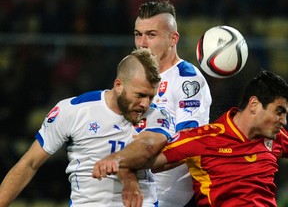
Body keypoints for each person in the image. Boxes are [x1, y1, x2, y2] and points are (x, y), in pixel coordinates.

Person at [0, 48, 172, 207]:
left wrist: (120, 165)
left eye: (151, 97)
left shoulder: (157, 116)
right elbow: (30, 163)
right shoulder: (74, 111)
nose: (145, 104)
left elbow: (148, 146)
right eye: (140, 95)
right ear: (118, 85)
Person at [93, 70, 288, 206]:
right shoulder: (204, 139)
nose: (284, 120)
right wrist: (116, 160)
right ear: (254, 104)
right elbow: (148, 159)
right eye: (279, 111)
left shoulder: (277, 137)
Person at [132, 0, 212, 207]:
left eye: (151, 35)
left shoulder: (187, 80)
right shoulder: (133, 76)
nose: (142, 43)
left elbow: (190, 144)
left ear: (173, 38)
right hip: (131, 190)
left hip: (166, 197)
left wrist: (140, 162)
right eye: (138, 34)